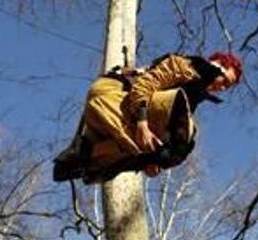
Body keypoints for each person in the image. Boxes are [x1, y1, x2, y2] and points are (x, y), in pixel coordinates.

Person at [53, 51, 242, 183]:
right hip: (113, 95)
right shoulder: (185, 67)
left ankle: (82, 156)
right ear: (217, 65)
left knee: (165, 148)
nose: (222, 87)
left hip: (109, 122)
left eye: (228, 87)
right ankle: (85, 154)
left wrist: (153, 162)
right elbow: (144, 86)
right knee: (186, 130)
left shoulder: (194, 90)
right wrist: (143, 123)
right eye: (224, 80)